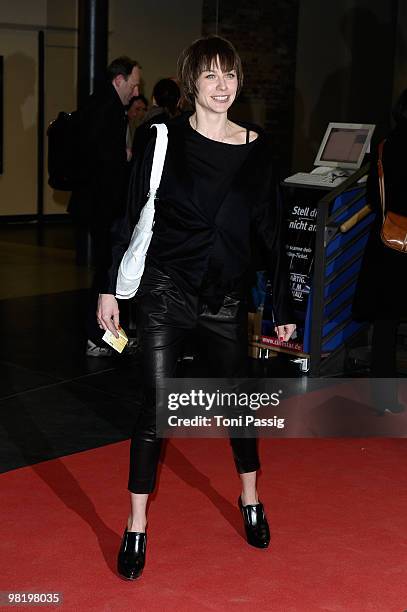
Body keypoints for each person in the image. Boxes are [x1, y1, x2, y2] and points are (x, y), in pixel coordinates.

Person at [97, 36, 296, 580]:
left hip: (226, 298)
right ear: (192, 83)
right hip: (165, 291)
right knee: (154, 410)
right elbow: (129, 213)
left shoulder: (259, 149)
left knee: (239, 407)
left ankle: (250, 496)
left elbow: (272, 233)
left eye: (229, 75)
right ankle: (136, 525)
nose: (222, 86)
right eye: (210, 76)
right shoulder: (162, 136)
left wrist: (281, 303)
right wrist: (109, 286)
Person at [68, 56, 141, 357]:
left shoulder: (96, 104)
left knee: (104, 270)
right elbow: (102, 157)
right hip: (103, 204)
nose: (136, 93)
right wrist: (122, 157)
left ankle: (105, 335)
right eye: (134, 86)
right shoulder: (107, 108)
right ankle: (99, 337)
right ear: (119, 80)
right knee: (105, 272)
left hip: (96, 202)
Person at [353, 89, 407, 413]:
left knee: (385, 325)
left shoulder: (385, 145)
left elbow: (374, 197)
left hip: (388, 242)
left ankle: (383, 399)